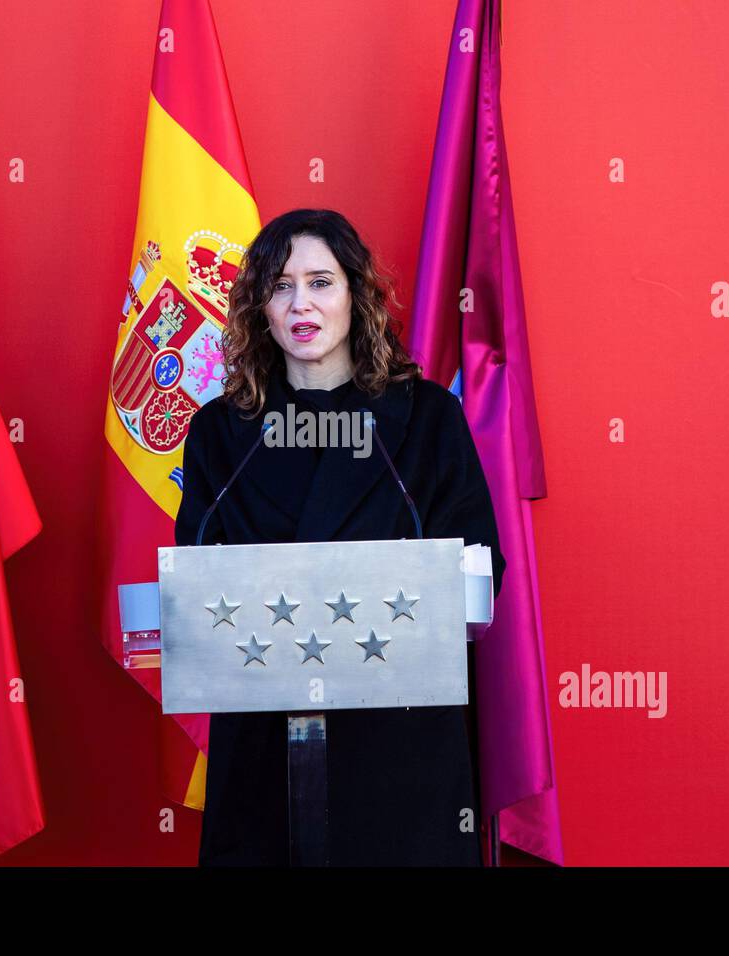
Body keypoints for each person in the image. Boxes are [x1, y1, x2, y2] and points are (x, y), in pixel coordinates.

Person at [174, 208, 506, 866]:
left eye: (322, 281)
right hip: (264, 750)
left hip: (397, 754)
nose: (303, 303)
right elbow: (194, 578)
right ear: (258, 307)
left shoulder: (427, 417)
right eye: (280, 285)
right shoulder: (221, 431)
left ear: (357, 295)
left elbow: (478, 574)